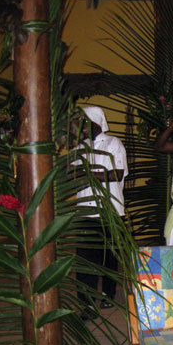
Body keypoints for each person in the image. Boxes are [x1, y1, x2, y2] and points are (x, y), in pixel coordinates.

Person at [74, 107, 128, 318]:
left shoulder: (113, 143)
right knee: (85, 259)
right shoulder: (80, 147)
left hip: (110, 210)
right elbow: (73, 173)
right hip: (86, 211)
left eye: (85, 122)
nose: (81, 127)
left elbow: (117, 174)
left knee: (109, 257)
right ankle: (86, 303)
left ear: (97, 123)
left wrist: (87, 173)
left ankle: (108, 293)